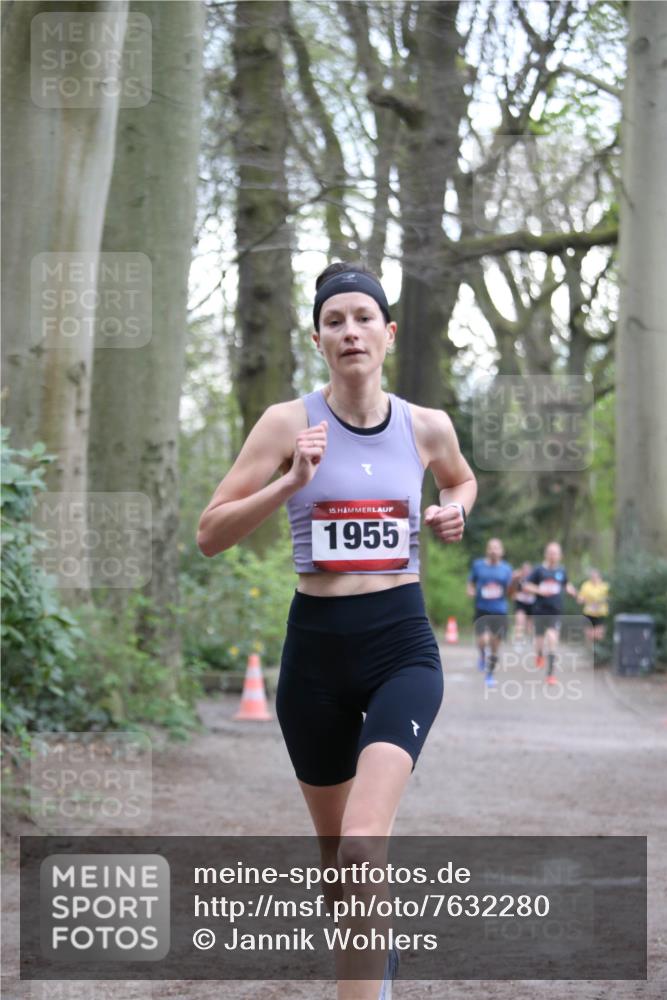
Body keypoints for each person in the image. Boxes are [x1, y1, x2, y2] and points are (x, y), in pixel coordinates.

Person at [196, 262, 477, 1000]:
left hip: (400, 646)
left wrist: (455, 508)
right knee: (338, 866)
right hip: (314, 650)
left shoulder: (426, 425)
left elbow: (459, 477)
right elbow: (209, 533)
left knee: (360, 844)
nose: (348, 331)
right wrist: (288, 483)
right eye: (333, 321)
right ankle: (373, 960)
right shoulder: (287, 424)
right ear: (316, 339)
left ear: (386, 332)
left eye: (362, 317)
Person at [524, 542, 577, 685]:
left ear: (560, 556)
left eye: (556, 553)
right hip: (540, 610)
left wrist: (571, 590)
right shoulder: (538, 570)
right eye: (551, 552)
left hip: (556, 611)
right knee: (539, 641)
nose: (553, 555)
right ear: (546, 554)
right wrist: (539, 590)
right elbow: (526, 585)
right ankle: (539, 655)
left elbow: (566, 584)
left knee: (552, 638)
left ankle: (550, 674)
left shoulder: (562, 570)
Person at [466, 538, 513, 688]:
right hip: (482, 609)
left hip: (500, 611)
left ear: (502, 551)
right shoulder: (478, 565)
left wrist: (516, 582)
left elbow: (511, 592)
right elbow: (471, 582)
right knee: (483, 640)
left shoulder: (506, 569)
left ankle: (490, 675)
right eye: (491, 547)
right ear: (487, 550)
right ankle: (481, 655)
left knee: (494, 645)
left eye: (496, 548)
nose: (493, 550)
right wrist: (470, 590)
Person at [577, 568, 610, 644]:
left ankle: (598, 652)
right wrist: (581, 599)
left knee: (598, 636)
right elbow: (580, 598)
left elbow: (608, 598)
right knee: (589, 635)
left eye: (595, 576)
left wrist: (599, 602)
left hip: (600, 613)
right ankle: (589, 652)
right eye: (592, 576)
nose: (594, 578)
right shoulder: (586, 585)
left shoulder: (605, 586)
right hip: (588, 613)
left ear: (599, 576)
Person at [510, 561, 536, 646]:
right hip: (520, 602)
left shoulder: (534, 579)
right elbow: (511, 590)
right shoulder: (517, 578)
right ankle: (518, 641)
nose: (526, 571)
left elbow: (538, 591)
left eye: (528, 570)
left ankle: (531, 641)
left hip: (531, 603)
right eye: (524, 569)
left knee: (529, 626)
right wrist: (513, 578)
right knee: (519, 621)